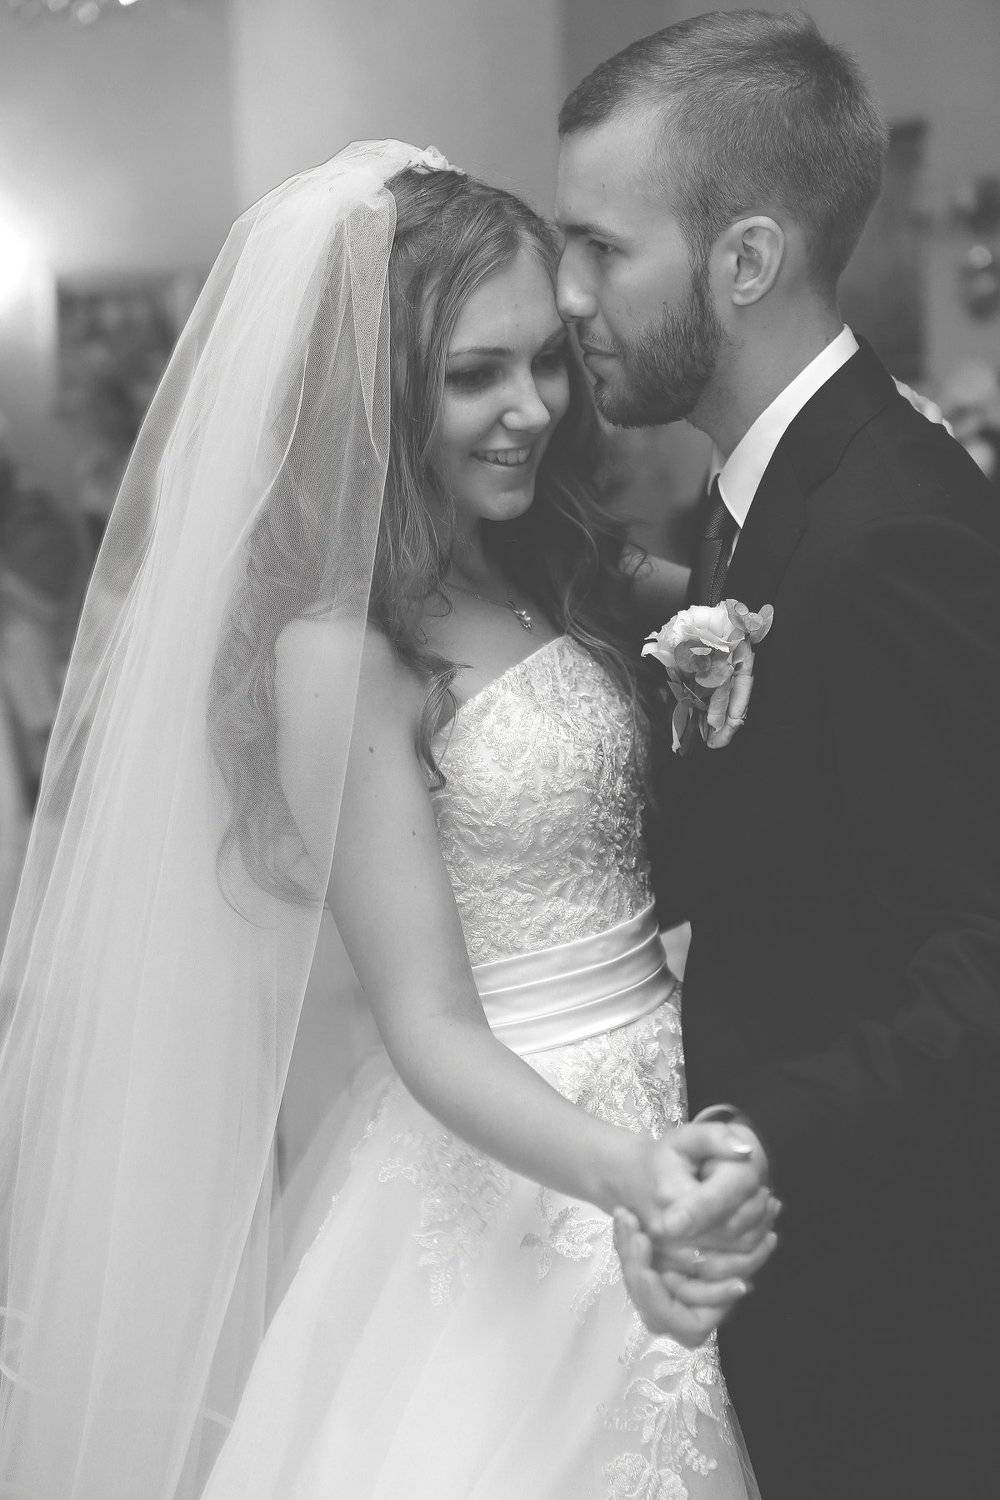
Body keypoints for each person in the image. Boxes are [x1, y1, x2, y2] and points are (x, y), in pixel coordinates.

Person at [0, 141, 773, 1498]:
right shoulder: (338, 648)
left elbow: (782, 602)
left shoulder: (553, 555)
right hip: (536, 1160)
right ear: (381, 390)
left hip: (684, 1075)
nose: (531, 408)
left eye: (546, 361)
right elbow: (427, 1025)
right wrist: (633, 1176)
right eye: (475, 375)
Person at [555, 12, 1000, 1499]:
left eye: (601, 248)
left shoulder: (891, 533)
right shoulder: (769, 496)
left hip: (896, 1304)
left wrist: (761, 1139)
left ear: (743, 260)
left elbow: (983, 951)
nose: (570, 294)